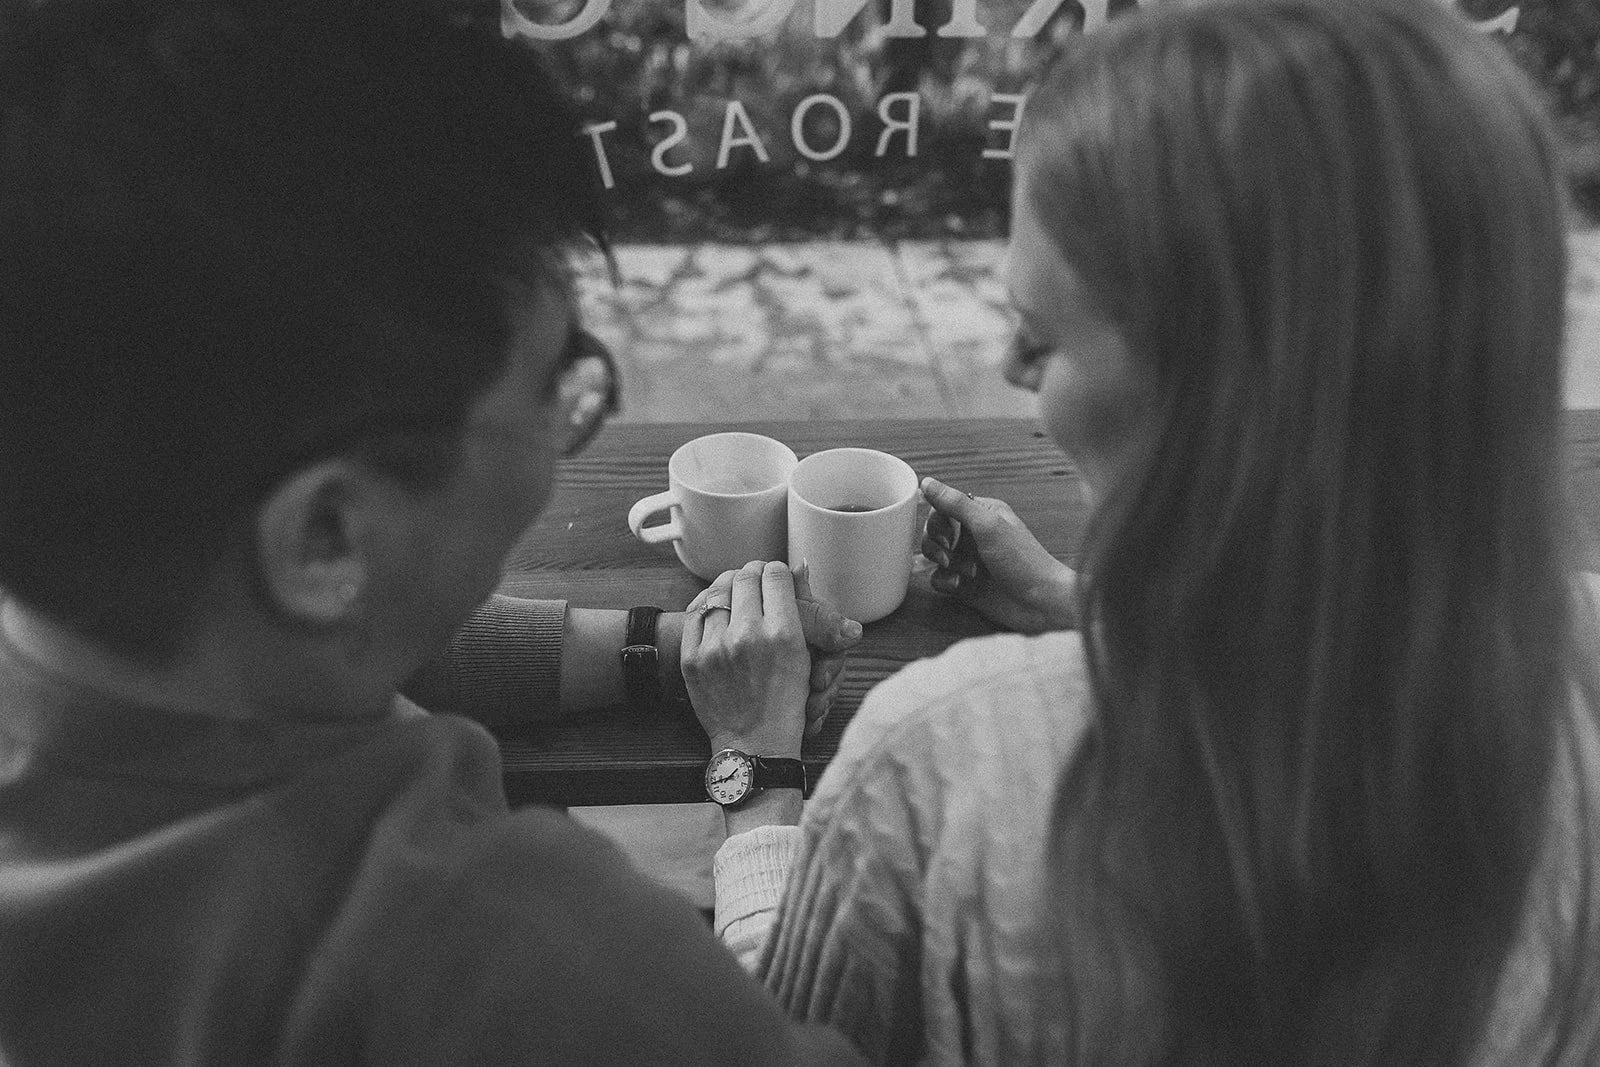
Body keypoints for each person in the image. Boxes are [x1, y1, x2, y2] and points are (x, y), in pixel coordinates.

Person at [697, 0, 1600, 1061]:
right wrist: (1078, 603)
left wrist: (753, 777)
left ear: (1226, 396)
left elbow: (769, 1043)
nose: (1007, 371)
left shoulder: (949, 763)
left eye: (1038, 335)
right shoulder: (1570, 683)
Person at [0, 0, 867, 1061]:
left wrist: (661, 647)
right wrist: (758, 781)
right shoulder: (496, 946)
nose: (567, 419)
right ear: (326, 534)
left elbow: (301, 638)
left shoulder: (101, 598)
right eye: (559, 384)